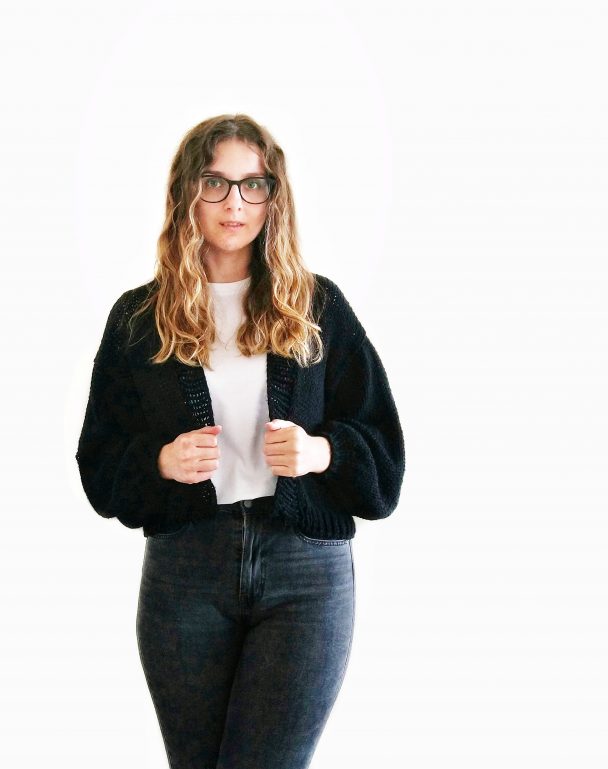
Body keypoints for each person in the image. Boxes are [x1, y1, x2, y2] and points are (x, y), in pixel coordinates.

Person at [75, 113, 405, 769]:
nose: (234, 204)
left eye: (253, 186)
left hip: (303, 573)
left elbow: (384, 460)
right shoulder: (140, 319)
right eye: (217, 184)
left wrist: (322, 452)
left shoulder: (316, 307)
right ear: (186, 195)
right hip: (186, 573)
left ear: (272, 197)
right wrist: (160, 461)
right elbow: (99, 461)